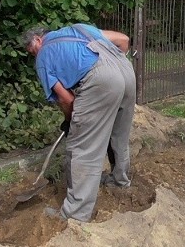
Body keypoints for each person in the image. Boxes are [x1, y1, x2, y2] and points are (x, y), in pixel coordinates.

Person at [22, 23, 136, 221]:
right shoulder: (78, 29)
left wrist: (69, 121)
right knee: (118, 134)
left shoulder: (43, 56)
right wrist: (115, 71)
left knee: (82, 148)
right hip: (126, 72)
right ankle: (120, 181)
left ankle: (76, 214)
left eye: (32, 51)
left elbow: (67, 100)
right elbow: (124, 40)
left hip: (101, 81)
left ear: (39, 40)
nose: (34, 55)